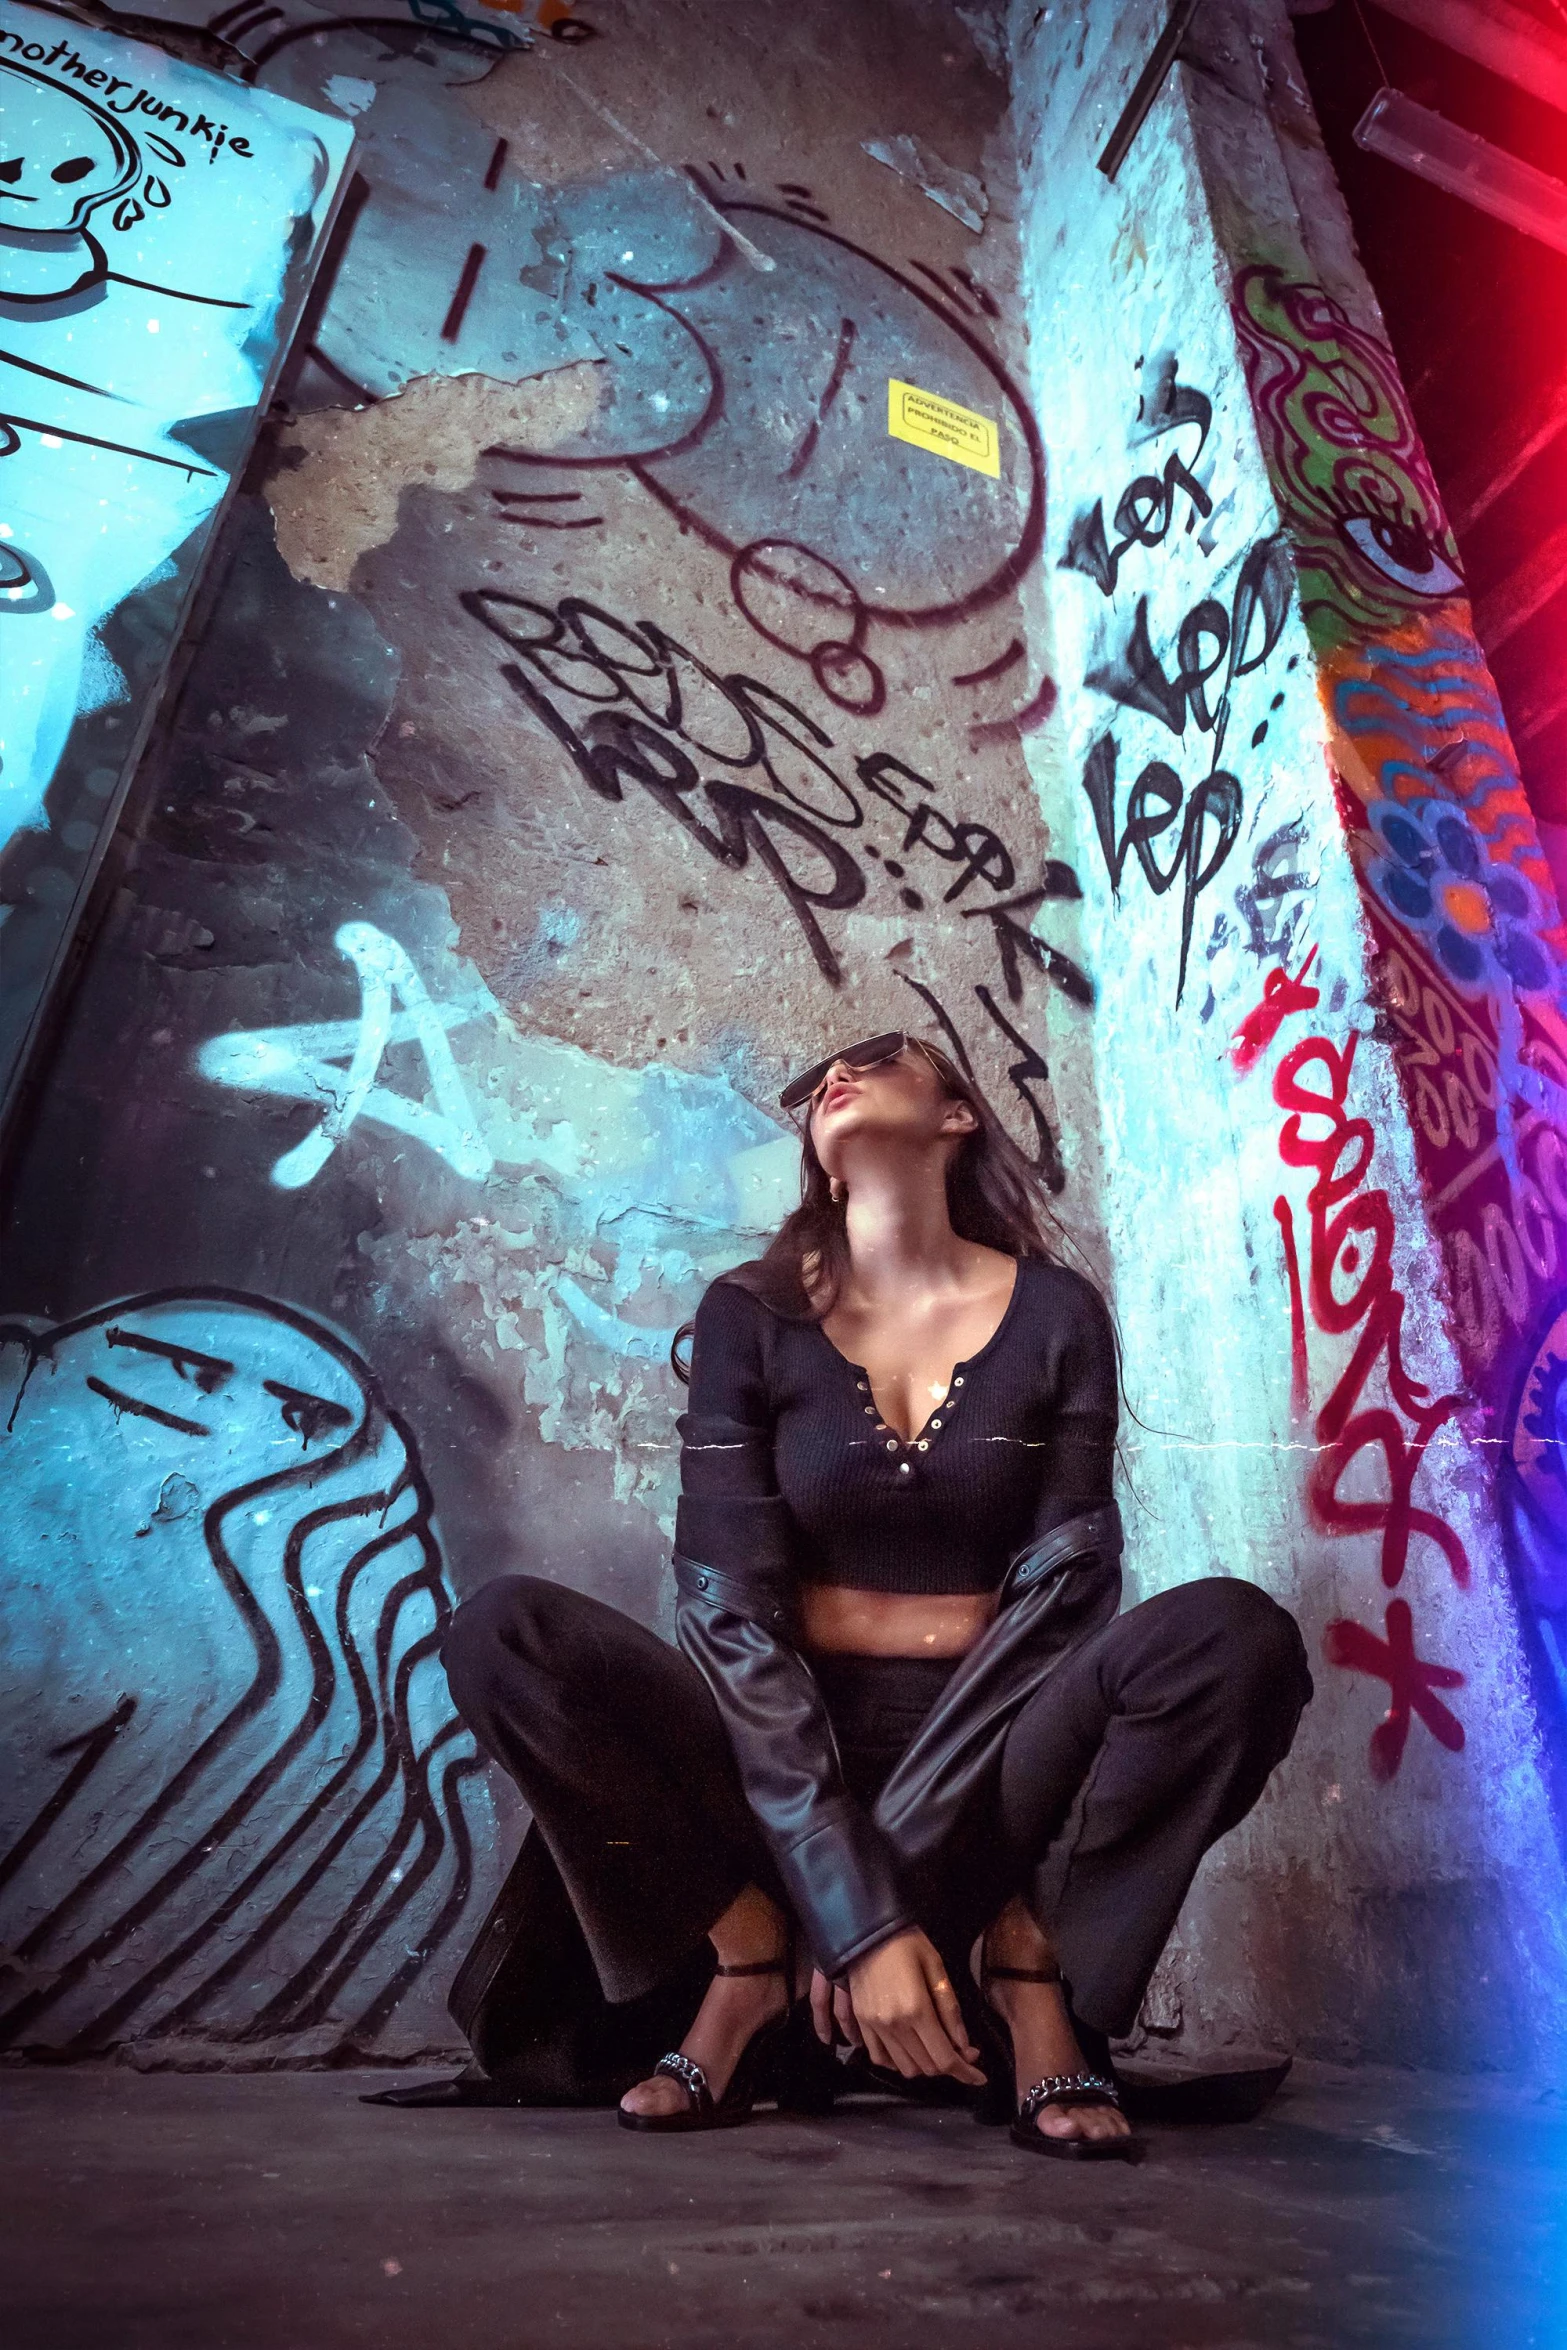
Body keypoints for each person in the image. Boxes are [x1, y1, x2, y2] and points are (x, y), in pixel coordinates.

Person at [436, 1032, 1312, 2161]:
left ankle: (1026, 1970)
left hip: (999, 1749)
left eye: (879, 1056)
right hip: (780, 1757)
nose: (833, 1078)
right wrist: (842, 1908)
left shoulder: (1057, 1315)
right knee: (505, 1630)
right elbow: (732, 1621)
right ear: (824, 1157)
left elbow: (1061, 1603)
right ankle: (748, 1962)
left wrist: (863, 1917)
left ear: (957, 1116)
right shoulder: (747, 1315)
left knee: (1231, 1637)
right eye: (816, 1084)